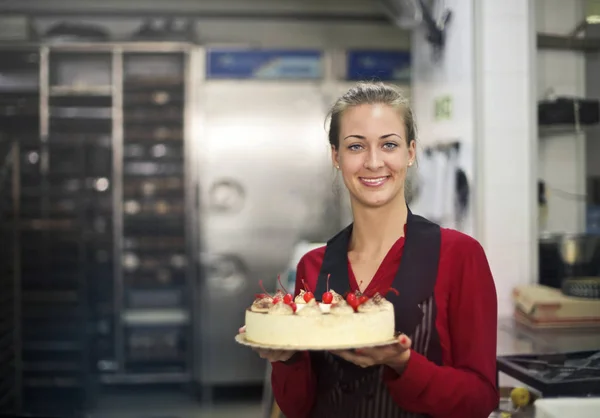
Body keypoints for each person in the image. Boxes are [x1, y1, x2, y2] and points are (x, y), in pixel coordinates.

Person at [242, 82, 499, 418]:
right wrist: (286, 358)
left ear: (410, 152)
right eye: (356, 146)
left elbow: (480, 398)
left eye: (388, 144)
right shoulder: (314, 266)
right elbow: (298, 407)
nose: (374, 162)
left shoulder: (459, 255)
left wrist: (403, 363)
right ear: (336, 157)